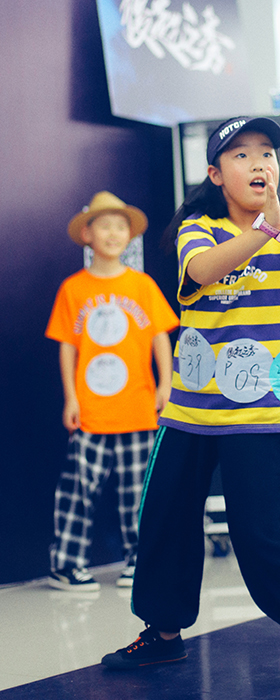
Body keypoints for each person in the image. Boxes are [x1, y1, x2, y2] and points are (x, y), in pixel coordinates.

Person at [101, 86, 280, 696]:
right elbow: (205, 270)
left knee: (265, 532)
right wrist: (262, 231)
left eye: (267, 154)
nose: (259, 163)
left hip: (264, 411)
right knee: (166, 519)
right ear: (215, 173)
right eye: (242, 154)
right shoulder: (197, 228)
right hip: (192, 410)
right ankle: (163, 634)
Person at [45, 191, 179, 591]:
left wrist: (166, 385)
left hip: (138, 407)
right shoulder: (73, 289)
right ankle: (66, 565)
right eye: (104, 225)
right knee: (77, 489)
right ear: (87, 234)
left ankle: (139, 561)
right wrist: (71, 398)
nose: (113, 233)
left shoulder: (142, 285)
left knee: (139, 492)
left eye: (121, 226)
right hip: (91, 411)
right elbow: (67, 347)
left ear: (130, 235)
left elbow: (160, 338)